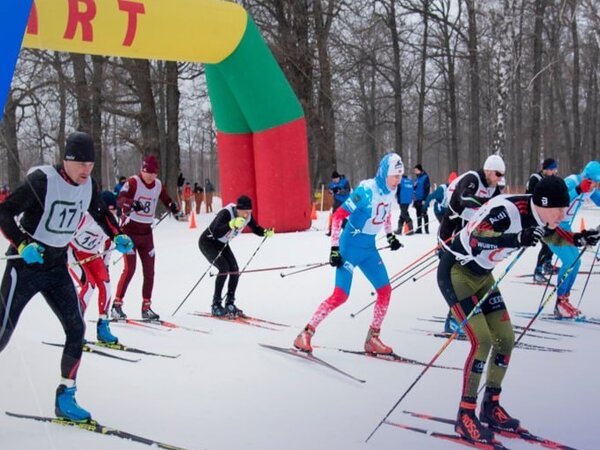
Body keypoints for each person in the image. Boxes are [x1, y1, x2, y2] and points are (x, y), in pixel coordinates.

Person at [436, 175, 599, 444]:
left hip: (482, 276)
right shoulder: (508, 211)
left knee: (506, 340)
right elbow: (478, 238)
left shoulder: (542, 217)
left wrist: (581, 238)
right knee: (482, 341)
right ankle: (465, 415)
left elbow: (556, 236)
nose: (563, 214)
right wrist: (516, 238)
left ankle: (491, 406)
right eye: (559, 209)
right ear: (543, 204)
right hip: (456, 272)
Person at [0, 131, 133, 421]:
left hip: (57, 266)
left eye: (91, 164)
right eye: (81, 163)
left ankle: (66, 397)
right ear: (67, 160)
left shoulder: (89, 186)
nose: (86, 169)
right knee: (1, 335)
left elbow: (100, 213)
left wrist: (117, 234)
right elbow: (4, 212)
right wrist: (23, 243)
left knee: (76, 329)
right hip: (25, 266)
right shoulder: (43, 181)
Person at [294, 153, 404, 355]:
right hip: (349, 248)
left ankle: (373, 338)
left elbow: (386, 213)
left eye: (400, 176)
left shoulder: (390, 191)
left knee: (385, 290)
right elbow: (338, 216)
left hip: (369, 249)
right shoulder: (365, 191)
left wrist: (390, 236)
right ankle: (306, 333)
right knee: (340, 295)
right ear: (384, 174)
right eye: (395, 176)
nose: (398, 180)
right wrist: (335, 249)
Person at [439, 155, 505, 334]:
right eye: (498, 174)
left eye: (502, 175)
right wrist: (487, 205)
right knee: (455, 277)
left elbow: (498, 207)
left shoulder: (495, 187)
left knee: (471, 274)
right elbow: (464, 199)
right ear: (488, 170)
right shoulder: (472, 179)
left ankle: (465, 313)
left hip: (470, 235)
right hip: (451, 233)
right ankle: (453, 319)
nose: (500, 179)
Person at [111, 155, 181, 321]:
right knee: (130, 269)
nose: (149, 175)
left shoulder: (157, 185)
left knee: (149, 272)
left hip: (146, 234)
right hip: (129, 232)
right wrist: (130, 203)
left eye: (152, 172)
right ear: (141, 170)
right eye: (146, 171)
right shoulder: (133, 182)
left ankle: (146, 307)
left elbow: (165, 198)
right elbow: (120, 199)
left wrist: (173, 207)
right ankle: (116, 305)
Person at [198, 195, 274, 317]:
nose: (247, 215)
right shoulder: (226, 213)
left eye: (249, 212)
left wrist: (265, 232)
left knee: (234, 269)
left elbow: (255, 228)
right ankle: (216, 305)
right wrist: (231, 224)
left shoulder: (247, 216)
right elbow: (216, 232)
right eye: (245, 212)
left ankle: (230, 303)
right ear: (238, 209)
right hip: (208, 242)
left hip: (222, 243)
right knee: (223, 268)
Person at [68, 191, 124, 344]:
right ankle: (75, 329)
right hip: (74, 252)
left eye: (114, 211)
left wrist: (105, 266)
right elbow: (66, 234)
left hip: (93, 255)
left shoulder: (113, 222)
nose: (112, 215)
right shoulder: (86, 217)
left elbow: (108, 245)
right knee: (89, 285)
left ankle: (103, 327)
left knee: (105, 285)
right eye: (109, 211)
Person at [547, 160, 600, 318]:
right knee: (570, 261)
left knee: (576, 262)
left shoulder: (590, 187)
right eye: (594, 182)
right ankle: (560, 303)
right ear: (587, 178)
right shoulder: (571, 182)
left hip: (565, 227)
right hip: (551, 226)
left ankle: (564, 299)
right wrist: (578, 190)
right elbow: (556, 199)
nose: (595, 186)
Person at [526, 158, 559, 284]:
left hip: (547, 216)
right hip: (534, 216)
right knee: (546, 242)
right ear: (546, 169)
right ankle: (538, 271)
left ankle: (547, 264)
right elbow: (530, 196)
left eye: (555, 169)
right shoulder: (536, 178)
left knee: (553, 240)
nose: (554, 172)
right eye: (552, 169)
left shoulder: (552, 179)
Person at [326, 170, 351, 236]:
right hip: (337, 201)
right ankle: (332, 230)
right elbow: (329, 191)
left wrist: (339, 191)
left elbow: (348, 190)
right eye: (333, 180)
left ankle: (348, 227)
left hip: (345, 201)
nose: (335, 181)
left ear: (338, 177)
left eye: (336, 179)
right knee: (335, 215)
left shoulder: (345, 182)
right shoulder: (332, 184)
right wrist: (331, 192)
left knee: (341, 216)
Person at [413, 164, 431, 233]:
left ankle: (426, 229)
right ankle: (419, 229)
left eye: (416, 170)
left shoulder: (425, 177)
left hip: (423, 199)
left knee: (424, 213)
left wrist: (424, 199)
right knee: (418, 214)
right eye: (414, 170)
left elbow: (427, 189)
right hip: (417, 199)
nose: (415, 171)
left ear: (420, 170)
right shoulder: (417, 179)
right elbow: (415, 189)